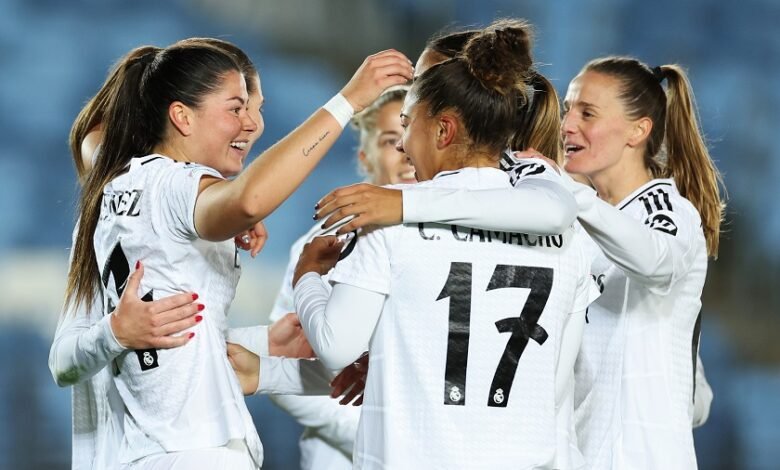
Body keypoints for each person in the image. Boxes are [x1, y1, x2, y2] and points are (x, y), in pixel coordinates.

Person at [322, 53, 722, 468]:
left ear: (639, 130)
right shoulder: (566, 226)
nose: (568, 125)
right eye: (568, 111)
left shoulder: (663, 209)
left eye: (588, 113)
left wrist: (402, 203)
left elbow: (657, 263)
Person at [59, 38, 412, 469]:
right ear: (181, 116)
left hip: (143, 452)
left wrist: (262, 342)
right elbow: (250, 200)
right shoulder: (171, 185)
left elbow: (94, 141)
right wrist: (347, 101)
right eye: (237, 107)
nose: (253, 124)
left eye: (255, 108)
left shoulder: (116, 191)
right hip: (192, 452)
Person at [291, 20, 599, 468]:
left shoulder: (389, 215)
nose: (402, 148)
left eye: (407, 124)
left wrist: (308, 278)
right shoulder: (566, 235)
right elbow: (551, 383)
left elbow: (336, 344)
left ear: (442, 131)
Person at [262, 85, 411, 470]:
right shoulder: (320, 247)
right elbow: (285, 363)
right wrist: (377, 436)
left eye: (413, 137)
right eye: (392, 141)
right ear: (365, 156)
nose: (406, 154)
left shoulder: (464, 242)